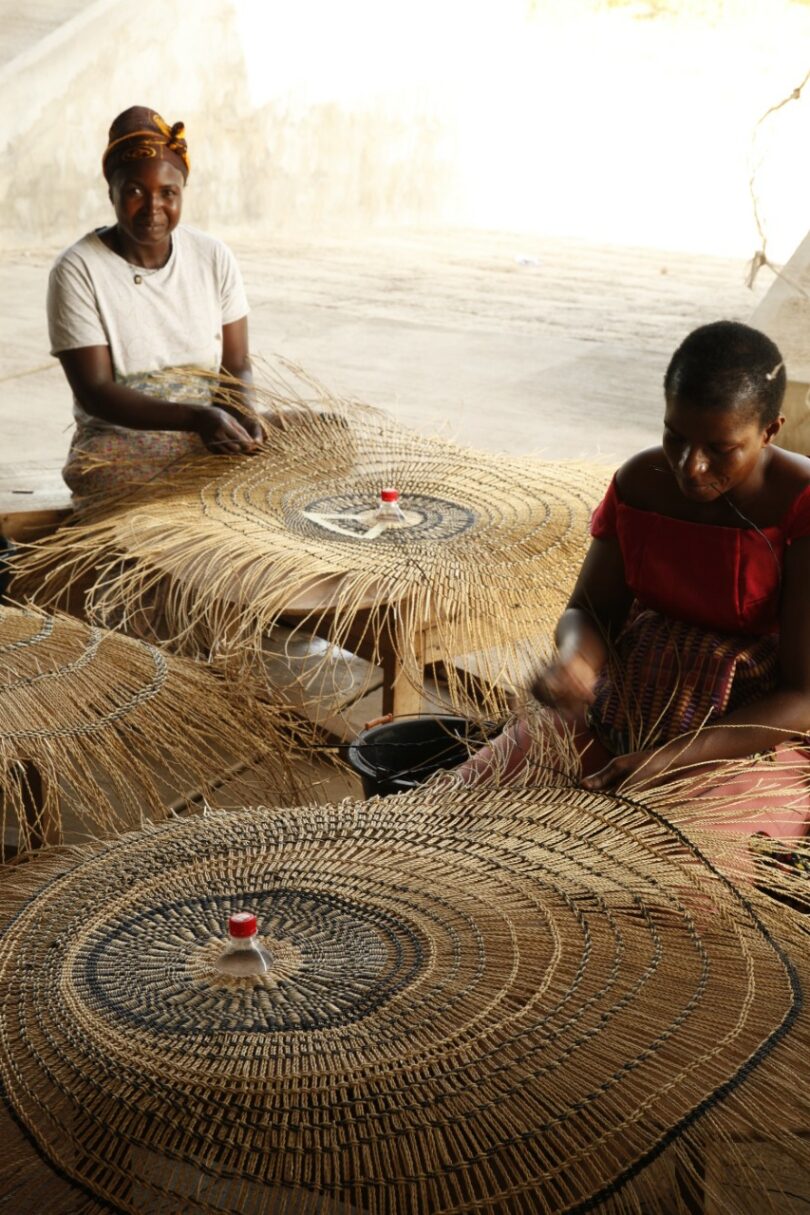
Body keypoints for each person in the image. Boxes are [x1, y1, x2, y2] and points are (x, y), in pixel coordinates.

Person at [460, 320, 810, 846]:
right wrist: (577, 662)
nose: (690, 467)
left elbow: (803, 695)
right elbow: (589, 609)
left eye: (720, 448)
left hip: (749, 730)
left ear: (769, 431)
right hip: (625, 701)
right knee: (475, 807)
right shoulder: (640, 482)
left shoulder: (801, 502)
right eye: (675, 436)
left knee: (670, 865)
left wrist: (669, 759)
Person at [47, 106, 273, 500]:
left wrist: (244, 415)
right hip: (122, 442)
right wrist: (197, 419)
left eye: (168, 193)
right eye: (135, 191)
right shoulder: (78, 269)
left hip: (212, 431)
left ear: (181, 192)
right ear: (111, 193)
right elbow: (95, 391)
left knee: (329, 433)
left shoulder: (212, 256)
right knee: (148, 488)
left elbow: (236, 364)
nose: (153, 208)